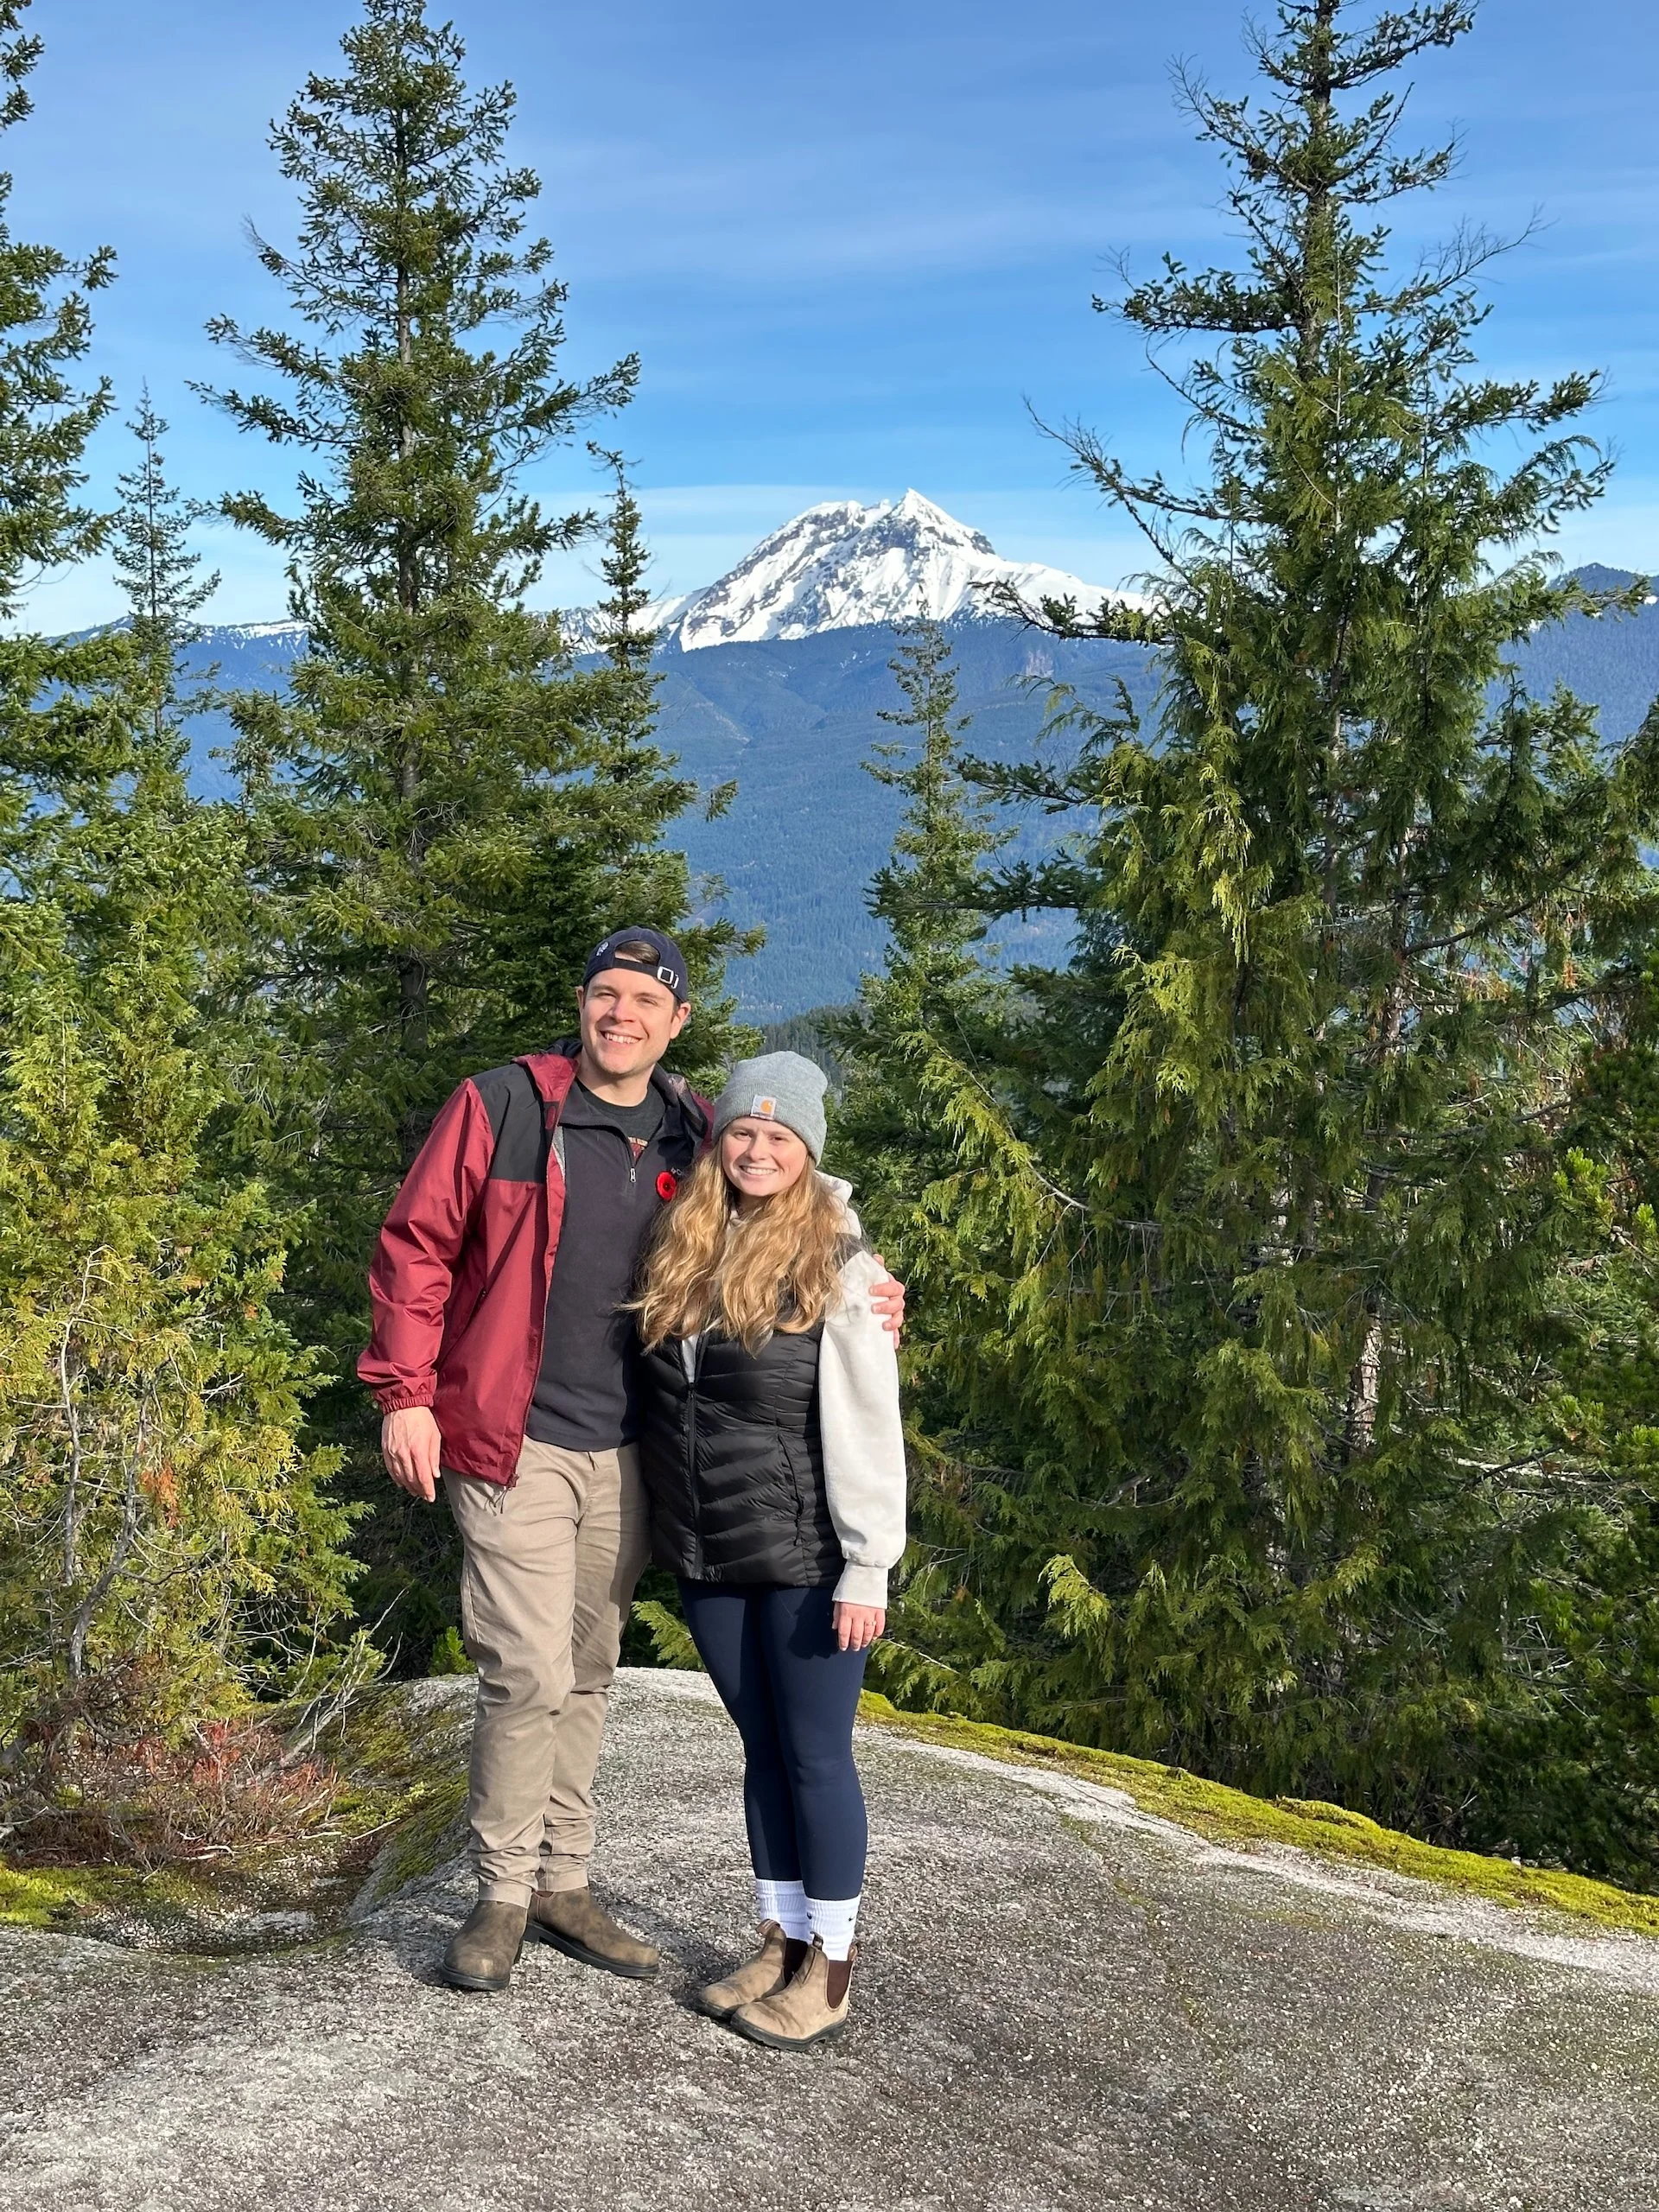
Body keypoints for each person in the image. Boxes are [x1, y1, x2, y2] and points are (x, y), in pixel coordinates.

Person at [358, 933, 904, 1995]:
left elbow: (789, 1191)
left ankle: (565, 1882)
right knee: (527, 1672)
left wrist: (873, 1287)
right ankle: (503, 1895)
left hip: (630, 1451)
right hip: (510, 1436)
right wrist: (405, 1394)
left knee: (591, 1671)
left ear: (677, 1020)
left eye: (646, 1000)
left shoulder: (692, 1126)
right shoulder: (507, 1106)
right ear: (584, 1003)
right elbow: (415, 1246)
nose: (623, 1014)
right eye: (606, 995)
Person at [631, 1050, 907, 2050]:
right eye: (742, 1130)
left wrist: (869, 1563)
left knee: (816, 1757)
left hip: (807, 1559)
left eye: (777, 1135)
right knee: (762, 1752)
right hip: (709, 1553)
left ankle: (829, 1970)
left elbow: (869, 1423)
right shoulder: (685, 1242)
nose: (755, 1147)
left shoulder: (840, 1266)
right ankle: (780, 1939)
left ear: (807, 1151)